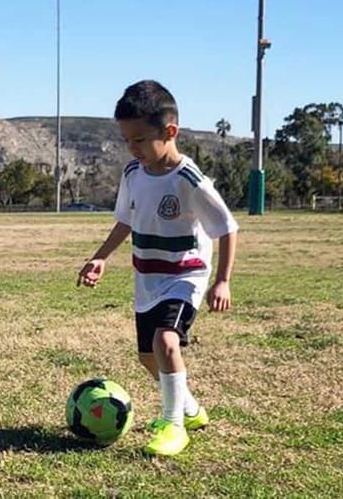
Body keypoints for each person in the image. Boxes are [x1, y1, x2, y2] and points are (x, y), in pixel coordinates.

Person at [77, 80, 238, 457]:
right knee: (148, 356)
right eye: (126, 141)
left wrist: (223, 281)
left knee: (166, 341)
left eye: (139, 140)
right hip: (147, 276)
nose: (132, 149)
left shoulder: (189, 180)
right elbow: (125, 221)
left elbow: (227, 227)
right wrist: (101, 256)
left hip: (185, 274)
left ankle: (173, 426)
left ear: (170, 132)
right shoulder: (133, 174)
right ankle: (190, 409)